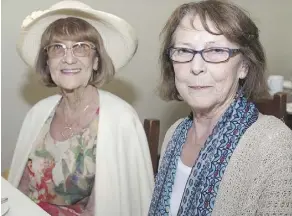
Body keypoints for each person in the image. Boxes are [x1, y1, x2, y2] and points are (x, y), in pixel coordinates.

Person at [7, 1, 154, 215]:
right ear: (47, 62)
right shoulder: (38, 114)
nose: (68, 58)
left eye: (81, 47)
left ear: (96, 61)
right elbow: (20, 190)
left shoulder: (120, 118)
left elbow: (109, 206)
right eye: (57, 48)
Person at [149, 0, 292, 215]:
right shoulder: (175, 133)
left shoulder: (274, 146)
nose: (196, 67)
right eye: (184, 51)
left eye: (216, 50)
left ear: (244, 65)